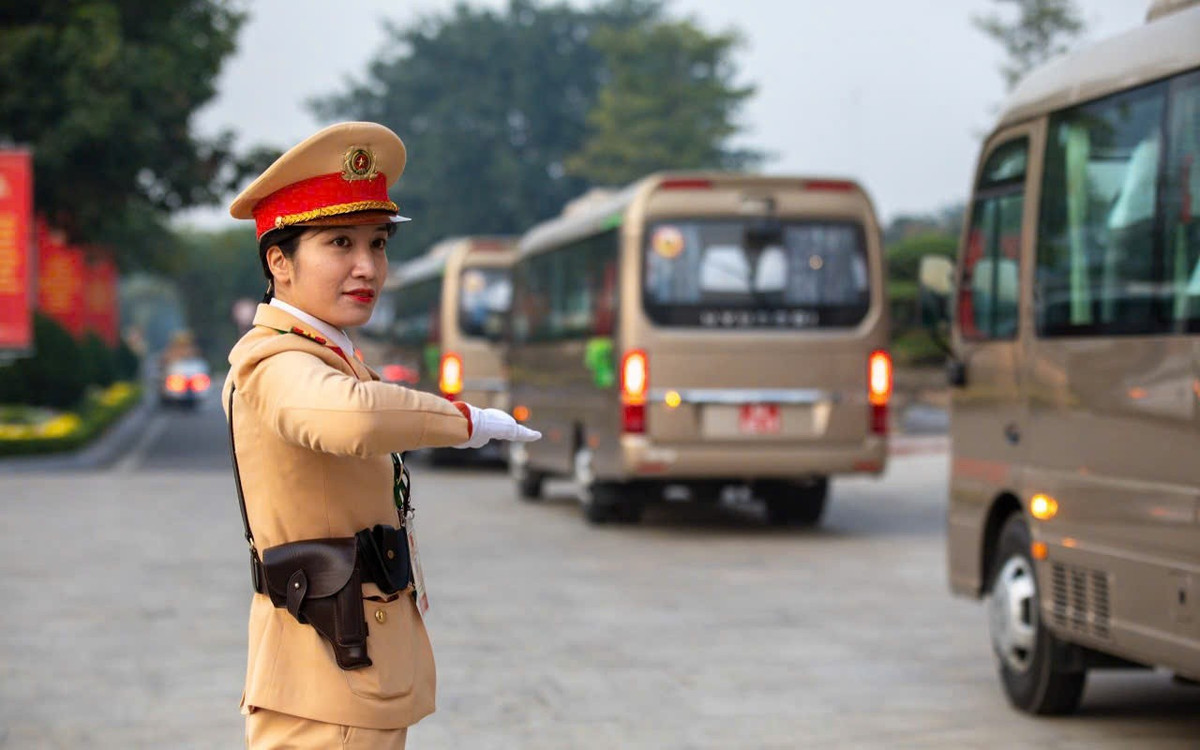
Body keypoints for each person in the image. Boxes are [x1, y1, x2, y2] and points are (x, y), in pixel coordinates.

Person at [222, 121, 540, 749]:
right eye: (340, 242)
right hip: (327, 676)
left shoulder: (325, 352)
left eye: (378, 243)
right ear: (279, 261)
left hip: (345, 662)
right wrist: (468, 422)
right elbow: (354, 418)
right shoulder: (277, 361)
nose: (366, 267)